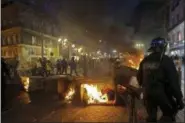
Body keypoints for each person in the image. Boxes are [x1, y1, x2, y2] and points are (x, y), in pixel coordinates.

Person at [137, 37, 184, 122]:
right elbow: (174, 82)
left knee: (151, 116)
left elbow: (139, 78)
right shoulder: (166, 60)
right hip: (161, 94)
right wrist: (179, 99)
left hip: (147, 94)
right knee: (170, 113)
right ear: (162, 47)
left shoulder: (144, 61)